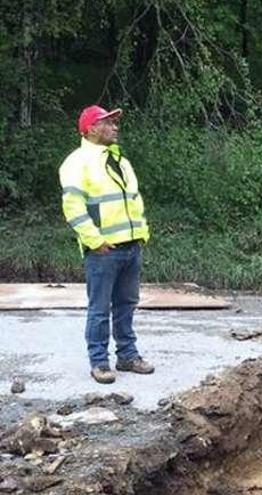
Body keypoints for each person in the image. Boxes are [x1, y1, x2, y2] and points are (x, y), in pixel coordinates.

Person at [59, 105, 154, 384]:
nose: (115, 126)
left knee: (126, 304)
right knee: (99, 308)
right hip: (103, 250)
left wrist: (141, 234)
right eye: (108, 122)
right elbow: (73, 207)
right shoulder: (77, 162)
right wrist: (94, 240)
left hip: (131, 245)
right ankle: (99, 362)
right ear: (91, 129)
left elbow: (134, 200)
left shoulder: (120, 160)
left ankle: (127, 355)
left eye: (114, 122)